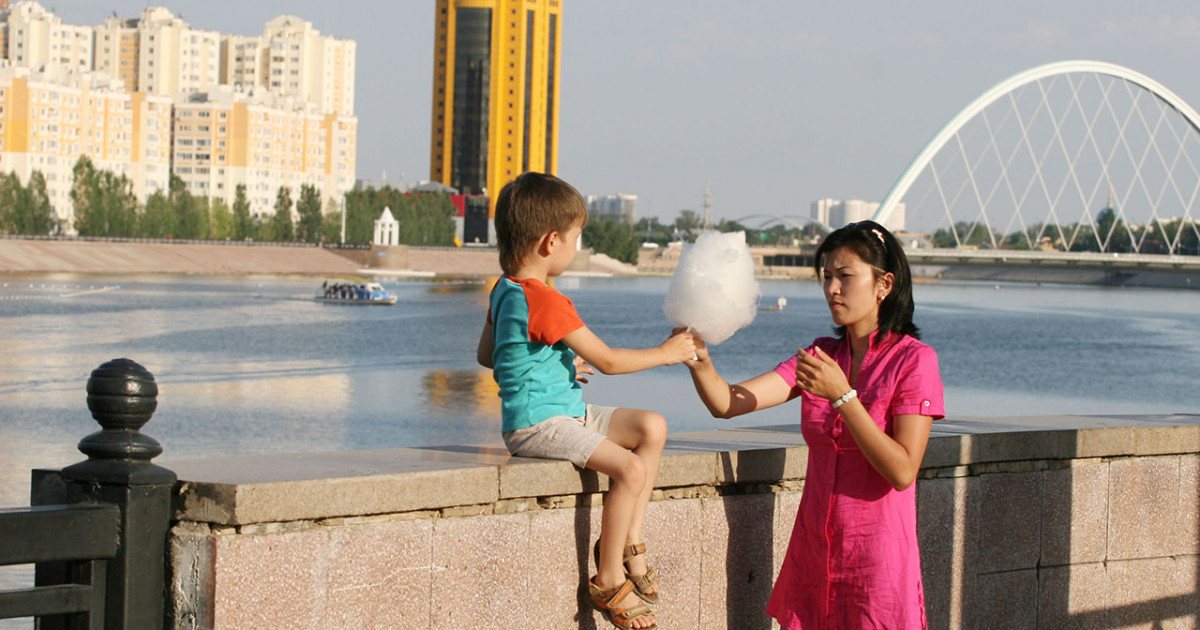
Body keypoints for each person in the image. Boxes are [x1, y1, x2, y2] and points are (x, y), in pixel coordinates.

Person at [681, 220, 944, 629]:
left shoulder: (914, 361)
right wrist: (700, 362)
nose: (832, 289)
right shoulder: (822, 356)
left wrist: (843, 397)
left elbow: (902, 470)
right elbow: (728, 403)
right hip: (814, 557)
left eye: (845, 276)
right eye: (826, 277)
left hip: (877, 564)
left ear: (884, 284)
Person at [476, 172, 695, 630]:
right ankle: (608, 578)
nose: (578, 247)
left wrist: (554, 365)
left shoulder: (504, 289)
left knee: (652, 426)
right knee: (629, 469)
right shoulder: (546, 301)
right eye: (577, 237)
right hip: (539, 425)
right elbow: (609, 362)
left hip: (559, 412)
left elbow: (488, 355)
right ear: (551, 241)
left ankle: (629, 540)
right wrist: (667, 353)